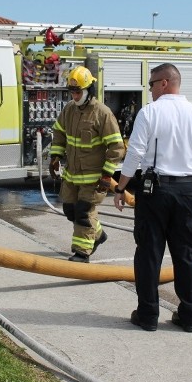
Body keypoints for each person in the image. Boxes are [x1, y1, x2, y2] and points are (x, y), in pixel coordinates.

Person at [113, 63, 192, 332]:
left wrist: (120, 187)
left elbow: (134, 154)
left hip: (154, 192)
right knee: (186, 256)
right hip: (187, 192)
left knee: (149, 253)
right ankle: (189, 316)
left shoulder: (150, 113)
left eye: (151, 84)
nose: (150, 90)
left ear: (165, 83)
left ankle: (148, 316)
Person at [49, 66, 125, 263]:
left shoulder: (102, 113)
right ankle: (98, 235)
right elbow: (59, 133)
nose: (74, 95)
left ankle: (82, 252)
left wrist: (107, 176)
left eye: (78, 91)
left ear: (88, 90)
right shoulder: (69, 110)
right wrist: (55, 156)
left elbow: (116, 147)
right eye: (72, 92)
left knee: (84, 213)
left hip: (93, 178)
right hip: (72, 175)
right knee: (70, 211)